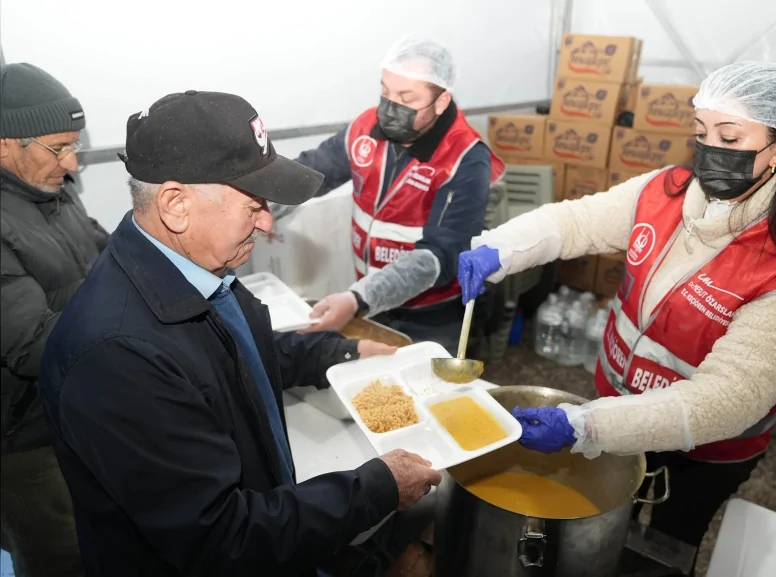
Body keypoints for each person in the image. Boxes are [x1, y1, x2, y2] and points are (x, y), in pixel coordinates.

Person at [458, 62, 776, 573]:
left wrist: (588, 428)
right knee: (600, 527)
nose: (710, 149)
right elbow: (576, 222)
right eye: (701, 133)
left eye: (730, 137)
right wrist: (502, 247)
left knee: (664, 548)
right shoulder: (666, 191)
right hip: (619, 403)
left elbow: (730, 398)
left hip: (700, 450)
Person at [38, 90, 442, 577]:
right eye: (253, 205)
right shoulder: (117, 358)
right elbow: (222, 537)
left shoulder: (194, 270)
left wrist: (340, 353)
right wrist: (376, 489)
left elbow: (235, 351)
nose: (268, 222)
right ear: (176, 204)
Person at [283, 34, 504, 352]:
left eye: (407, 98)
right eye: (385, 92)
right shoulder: (364, 128)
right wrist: (254, 198)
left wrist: (358, 298)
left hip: (432, 313)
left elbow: (440, 255)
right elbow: (311, 172)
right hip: (372, 299)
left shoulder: (465, 158)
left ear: (441, 101)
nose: (390, 108)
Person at [1, 62, 105, 577]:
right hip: (26, 436)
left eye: (74, 146)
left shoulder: (50, 189)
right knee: (63, 557)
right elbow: (32, 344)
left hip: (79, 408)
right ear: (5, 145)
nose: (73, 163)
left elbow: (103, 254)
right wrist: (135, 332)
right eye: (58, 148)